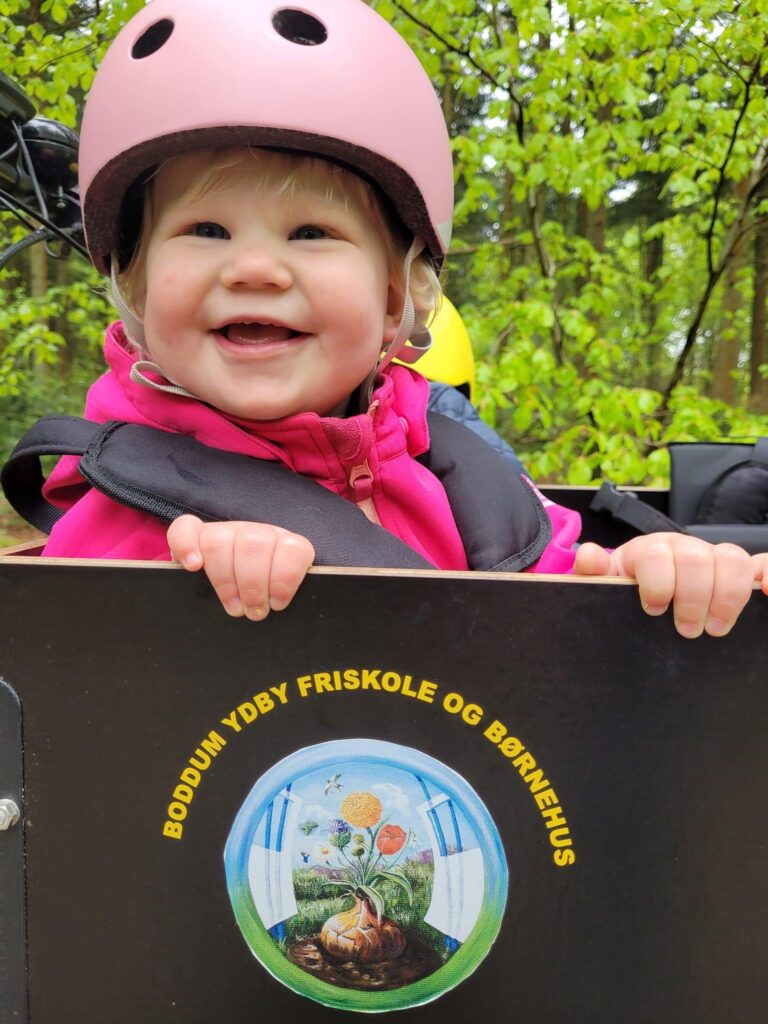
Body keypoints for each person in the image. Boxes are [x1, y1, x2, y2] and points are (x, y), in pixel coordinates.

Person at [38, 0, 767, 638]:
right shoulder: (131, 503)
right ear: (132, 286)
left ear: (397, 294)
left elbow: (560, 593)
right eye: (205, 231)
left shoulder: (451, 466)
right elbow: (75, 686)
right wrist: (175, 588)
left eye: (311, 234)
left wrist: (644, 572)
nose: (253, 269)